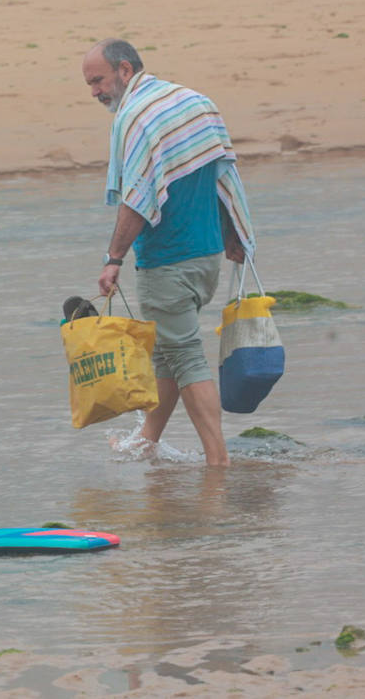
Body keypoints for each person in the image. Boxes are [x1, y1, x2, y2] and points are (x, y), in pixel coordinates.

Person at [82, 38, 255, 467]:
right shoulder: (192, 102)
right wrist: (231, 232)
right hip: (207, 257)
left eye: (99, 80)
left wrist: (114, 258)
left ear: (125, 70)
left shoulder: (137, 116)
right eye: (89, 84)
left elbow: (137, 196)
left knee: (185, 355)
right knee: (166, 351)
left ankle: (218, 463)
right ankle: (147, 440)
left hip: (168, 260)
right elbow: (219, 173)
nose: (95, 92)